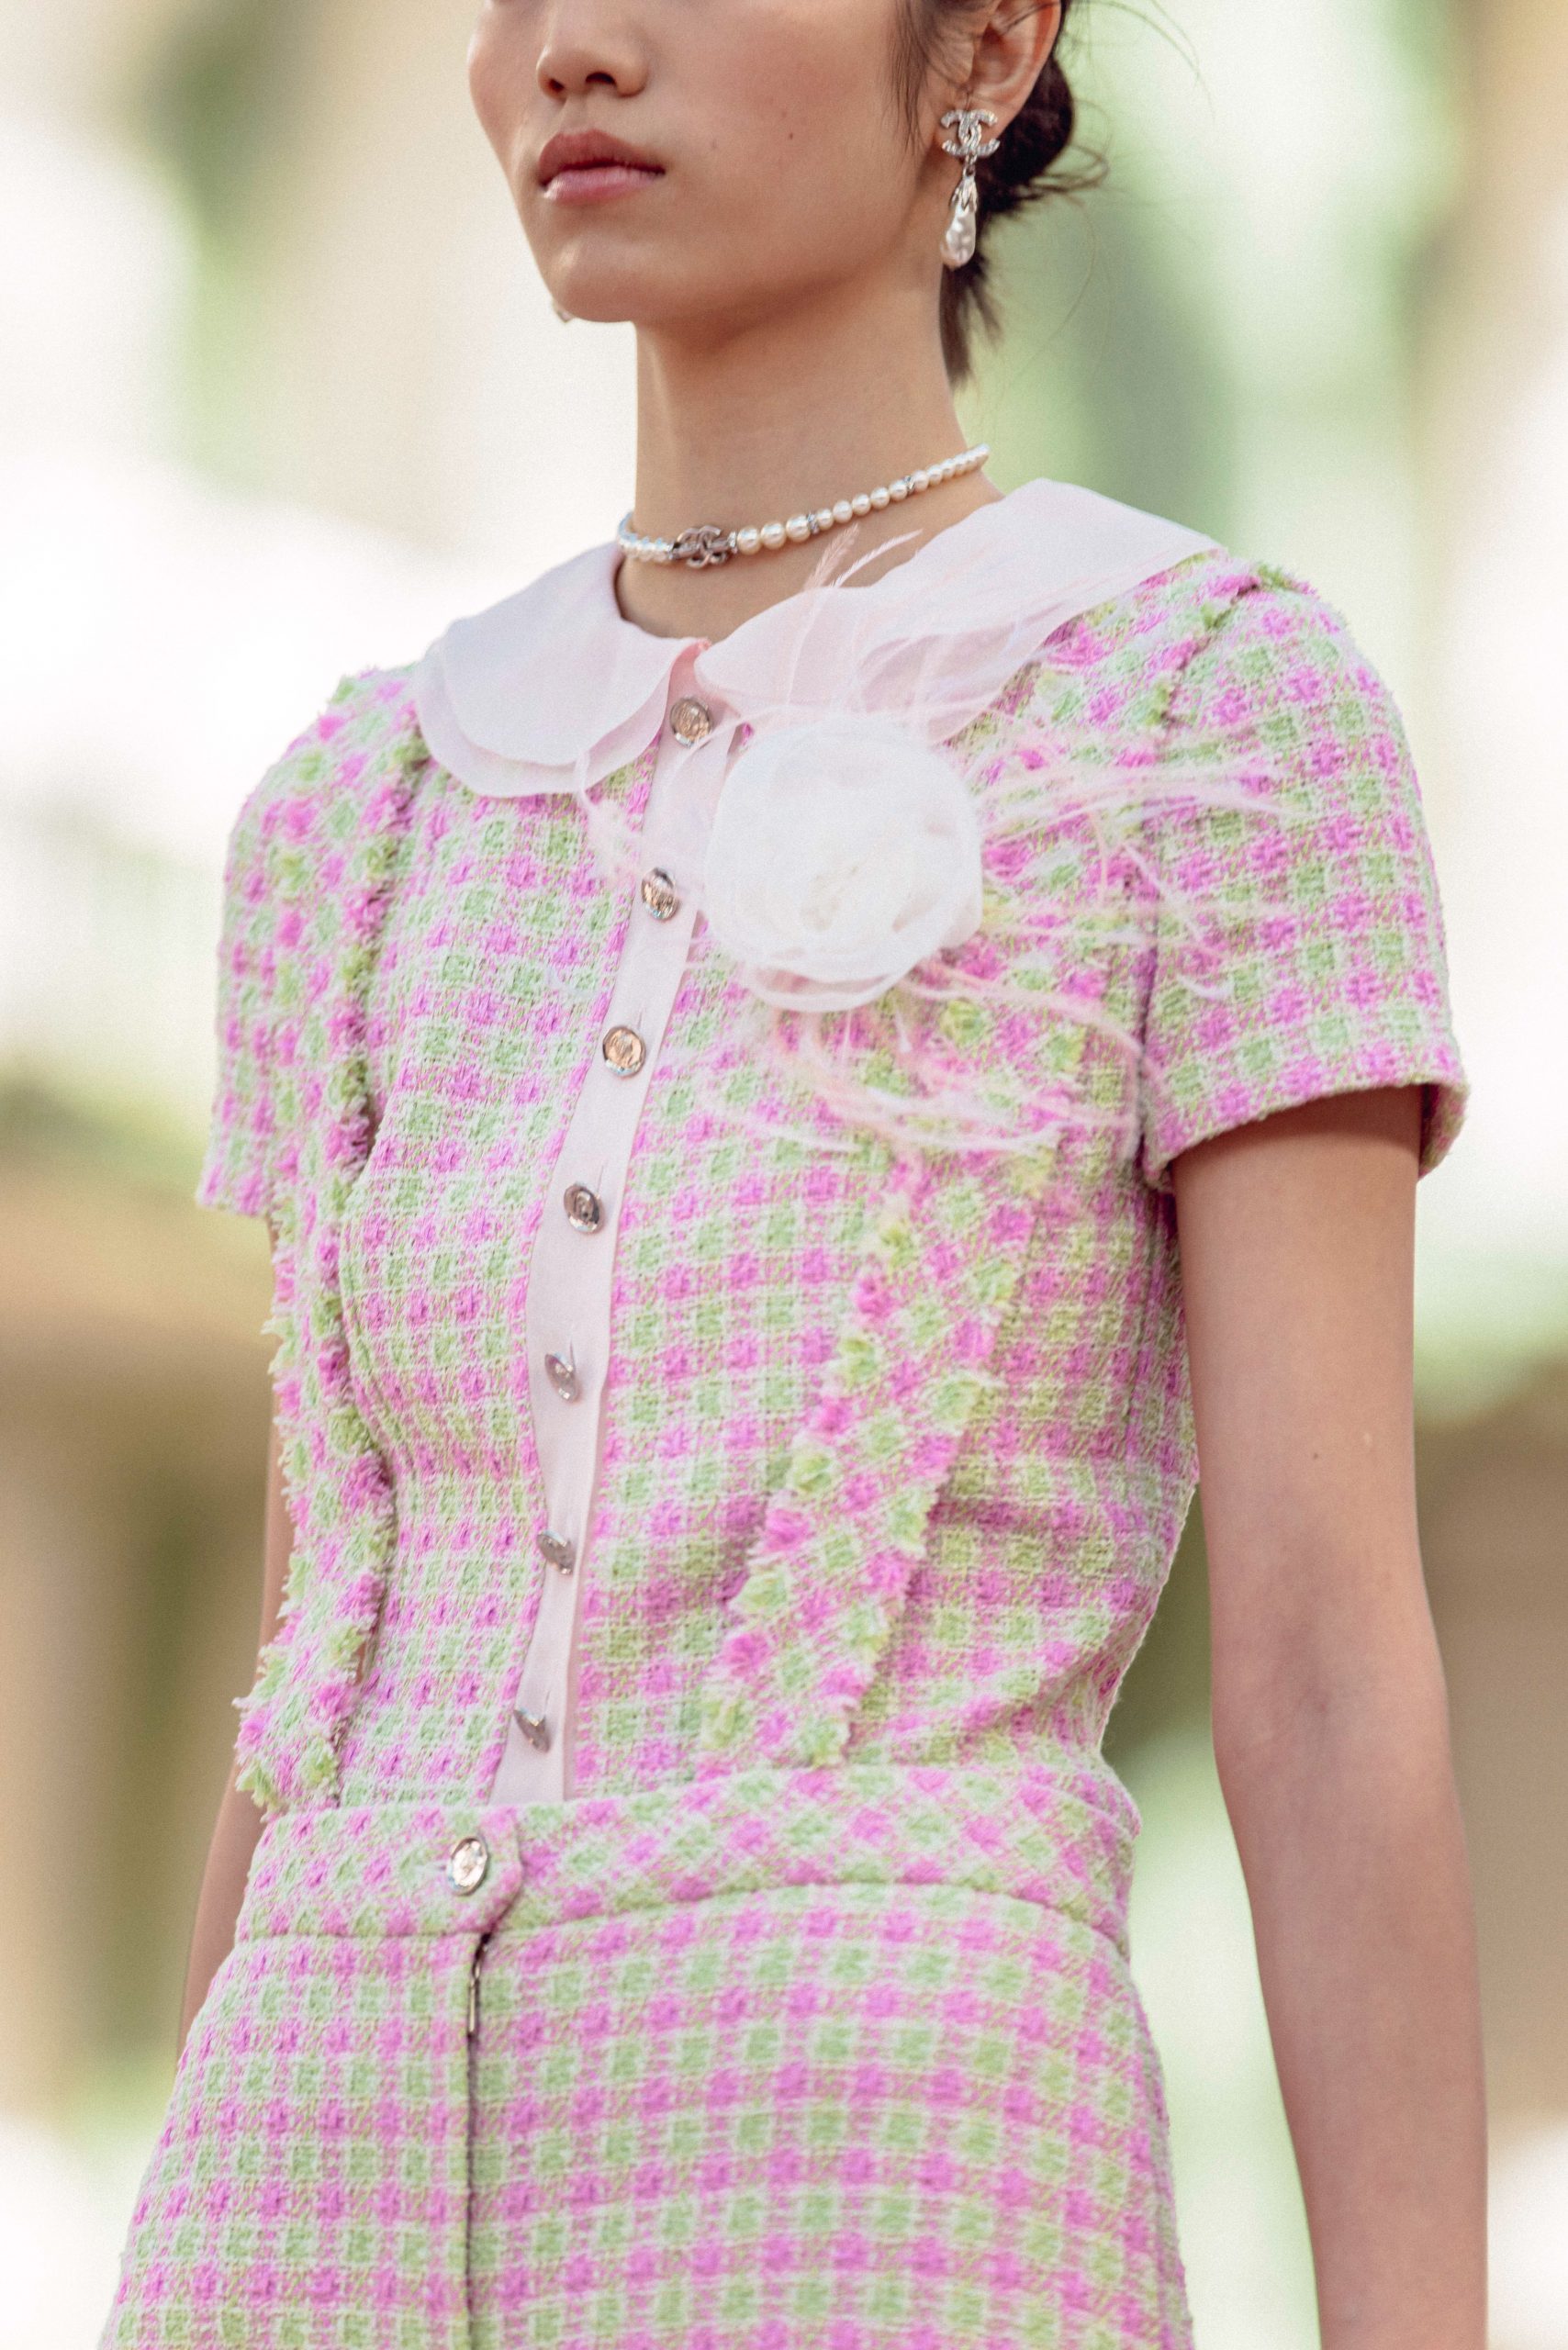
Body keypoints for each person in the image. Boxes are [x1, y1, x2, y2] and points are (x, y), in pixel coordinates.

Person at [102, 3, 1487, 2344]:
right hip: (298, 2185)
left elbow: (1327, 1669)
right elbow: (312, 1662)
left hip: (879, 2174)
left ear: (982, 44)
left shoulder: (1204, 717)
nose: (572, 49)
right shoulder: (361, 807)